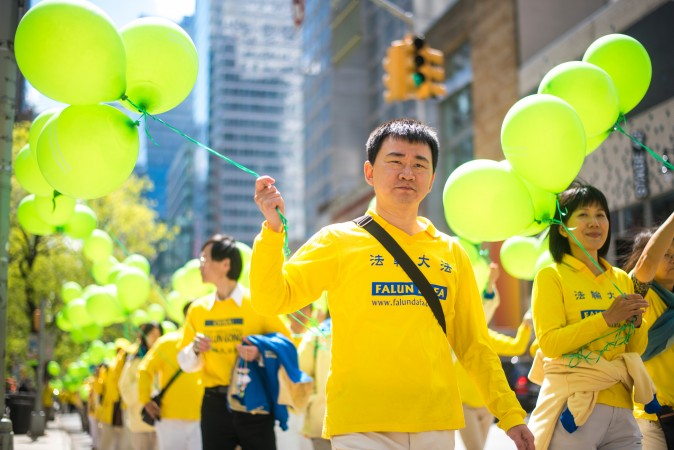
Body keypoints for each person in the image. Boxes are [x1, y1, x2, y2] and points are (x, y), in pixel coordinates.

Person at [251, 118, 534, 450]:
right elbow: (271, 300)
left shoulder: (451, 252)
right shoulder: (337, 241)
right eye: (396, 161)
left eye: (419, 164)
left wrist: (512, 415)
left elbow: (474, 346)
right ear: (369, 173)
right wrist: (272, 231)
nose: (407, 173)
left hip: (436, 423)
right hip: (361, 426)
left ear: (430, 180)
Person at [529, 182, 651, 449]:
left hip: (622, 408)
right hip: (573, 408)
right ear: (562, 228)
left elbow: (635, 349)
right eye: (583, 215)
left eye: (601, 214)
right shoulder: (551, 276)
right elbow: (549, 343)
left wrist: (638, 323)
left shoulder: (620, 278)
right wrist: (606, 318)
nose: (594, 222)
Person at [177, 234, 292, 450]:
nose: (199, 266)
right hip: (214, 405)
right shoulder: (198, 310)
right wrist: (194, 349)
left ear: (225, 264)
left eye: (204, 259)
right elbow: (184, 364)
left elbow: (286, 344)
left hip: (255, 399)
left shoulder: (257, 303)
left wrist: (259, 351)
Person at [623, 211, 674, 450]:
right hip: (654, 418)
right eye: (666, 254)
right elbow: (646, 265)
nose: (672, 259)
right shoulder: (642, 295)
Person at [139, 302, 204, 450]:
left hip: (201, 417)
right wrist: (145, 400)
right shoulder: (167, 342)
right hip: (170, 417)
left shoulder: (210, 342)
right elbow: (144, 370)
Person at [119, 322, 163, 450]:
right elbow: (124, 388)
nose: (155, 338)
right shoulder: (134, 360)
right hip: (140, 419)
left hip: (164, 418)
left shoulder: (167, 358)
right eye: (152, 334)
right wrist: (145, 388)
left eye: (158, 334)